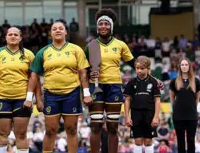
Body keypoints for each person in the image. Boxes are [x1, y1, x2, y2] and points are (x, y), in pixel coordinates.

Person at [25, 19, 92, 153]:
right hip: (51, 94)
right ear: (50, 33)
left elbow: (83, 73)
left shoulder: (76, 49)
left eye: (61, 28)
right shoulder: (42, 52)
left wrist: (86, 94)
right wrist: (29, 98)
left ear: (66, 32)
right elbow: (34, 76)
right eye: (54, 29)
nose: (58, 30)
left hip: (72, 93)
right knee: (50, 130)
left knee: (72, 129)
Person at [0, 27, 43, 153]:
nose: (13, 36)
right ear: (5, 37)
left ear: (20, 38)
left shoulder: (29, 55)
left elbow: (35, 79)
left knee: (21, 135)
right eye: (10, 34)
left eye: (16, 34)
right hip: (1, 99)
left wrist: (38, 99)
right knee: (1, 135)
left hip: (22, 100)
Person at [86, 9, 134, 153]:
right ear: (97, 27)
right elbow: (82, 69)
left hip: (114, 86)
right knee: (96, 125)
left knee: (113, 127)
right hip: (96, 86)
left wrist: (152, 77)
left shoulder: (120, 45)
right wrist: (89, 73)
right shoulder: (90, 46)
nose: (103, 26)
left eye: (107, 23)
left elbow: (135, 64)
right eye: (101, 24)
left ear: (111, 27)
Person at [124, 56, 161, 153]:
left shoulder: (154, 82)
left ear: (148, 69)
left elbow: (157, 100)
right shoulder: (131, 83)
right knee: (138, 141)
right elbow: (127, 100)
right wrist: (127, 117)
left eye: (142, 68)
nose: (139, 71)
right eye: (137, 68)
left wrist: (156, 117)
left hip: (150, 114)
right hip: (136, 113)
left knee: (148, 141)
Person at [169, 58, 200, 153]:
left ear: (189, 66)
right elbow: (172, 98)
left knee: (191, 140)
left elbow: (197, 98)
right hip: (178, 115)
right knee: (180, 141)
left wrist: (192, 107)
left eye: (186, 64)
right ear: (179, 66)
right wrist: (175, 108)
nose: (184, 66)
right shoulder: (174, 81)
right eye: (182, 65)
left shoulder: (196, 81)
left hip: (191, 115)